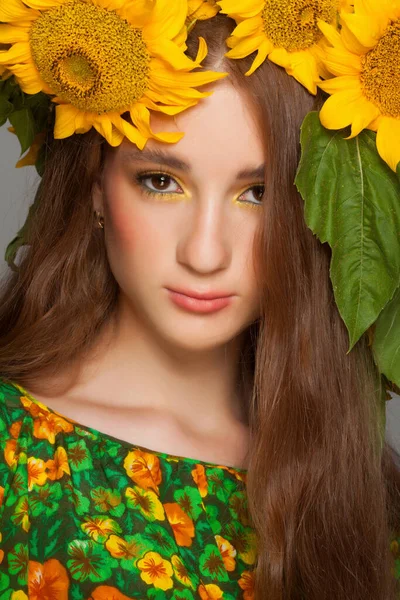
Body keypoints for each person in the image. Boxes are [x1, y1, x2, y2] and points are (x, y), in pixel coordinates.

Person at [0, 1, 400, 598]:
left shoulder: (360, 487)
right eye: (162, 181)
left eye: (259, 194)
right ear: (94, 187)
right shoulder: (11, 450)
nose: (205, 253)